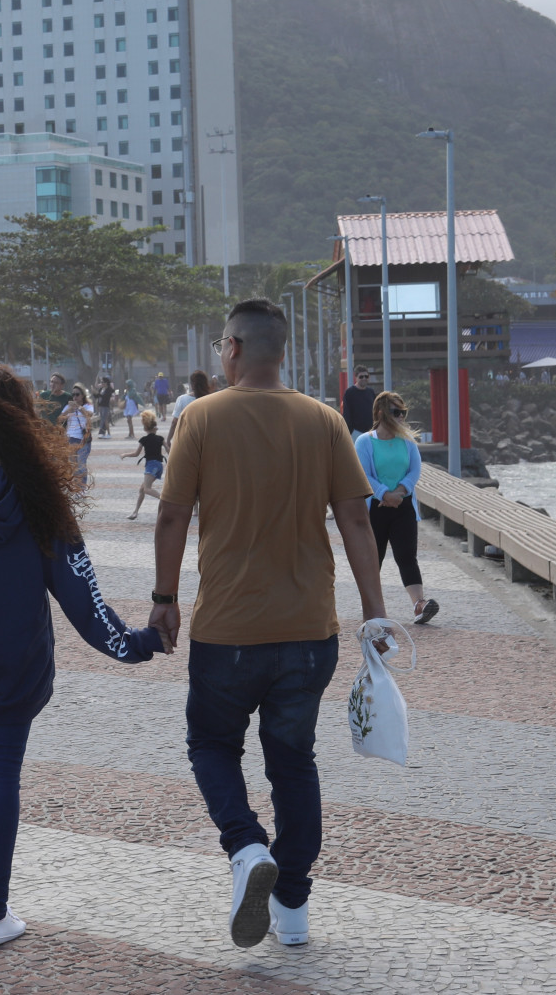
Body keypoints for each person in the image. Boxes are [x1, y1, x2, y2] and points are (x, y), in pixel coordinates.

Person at [152, 298, 391, 949]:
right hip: (308, 633)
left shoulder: (199, 417)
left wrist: (164, 595)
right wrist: (374, 611)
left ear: (231, 349)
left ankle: (246, 846)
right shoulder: (324, 420)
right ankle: (293, 906)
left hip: (227, 631)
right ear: (278, 350)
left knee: (211, 744)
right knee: (293, 761)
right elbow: (356, 518)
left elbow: (172, 514)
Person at [0, 363, 162, 947]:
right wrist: (137, 644)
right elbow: (81, 592)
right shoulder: (40, 491)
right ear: (25, 417)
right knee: (0, 771)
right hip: (15, 654)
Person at [355, 391, 437, 624]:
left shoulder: (407, 440)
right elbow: (364, 474)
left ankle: (419, 605)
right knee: (374, 558)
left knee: (407, 556)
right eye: (396, 412)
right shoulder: (365, 441)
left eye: (403, 412)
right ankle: (372, 608)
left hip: (403, 506)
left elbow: (415, 470)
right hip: (376, 508)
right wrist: (384, 494)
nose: (401, 417)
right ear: (380, 413)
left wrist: (400, 492)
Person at [124, 410, 164, 520]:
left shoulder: (144, 439)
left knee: (147, 489)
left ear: (145, 428)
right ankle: (135, 512)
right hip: (159, 466)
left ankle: (165, 500)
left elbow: (136, 454)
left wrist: (125, 455)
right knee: (142, 489)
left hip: (151, 466)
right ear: (154, 428)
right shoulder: (160, 439)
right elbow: (170, 451)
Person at [56, 386, 94, 488]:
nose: (75, 397)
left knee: (81, 465)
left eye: (77, 394)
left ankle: (82, 488)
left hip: (83, 438)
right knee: (73, 466)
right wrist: (68, 411)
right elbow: (59, 419)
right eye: (73, 394)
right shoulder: (69, 407)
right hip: (70, 438)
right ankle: (76, 487)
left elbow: (89, 415)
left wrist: (79, 408)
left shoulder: (87, 406)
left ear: (82, 395)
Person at [167, 370, 209, 441]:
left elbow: (174, 422)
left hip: (187, 440)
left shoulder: (182, 399)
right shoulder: (212, 398)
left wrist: (168, 440)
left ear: (192, 385)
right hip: (206, 439)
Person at [340, 367, 376, 440]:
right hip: (356, 432)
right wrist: (351, 431)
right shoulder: (349, 393)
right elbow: (346, 413)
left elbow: (375, 410)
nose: (364, 378)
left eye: (366, 376)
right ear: (356, 377)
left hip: (371, 431)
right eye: (361, 376)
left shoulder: (371, 392)